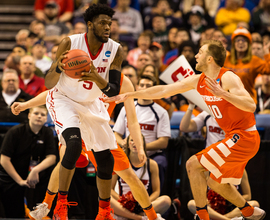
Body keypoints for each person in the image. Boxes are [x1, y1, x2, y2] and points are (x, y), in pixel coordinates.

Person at [105, 40, 266, 220]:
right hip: (234, 136)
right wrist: (132, 94)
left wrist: (223, 94)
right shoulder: (199, 80)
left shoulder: (228, 77)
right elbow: (164, 90)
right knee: (215, 183)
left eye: (200, 52)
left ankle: (202, 216)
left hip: (245, 135)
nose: (196, 55)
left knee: (192, 164)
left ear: (210, 59)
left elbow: (251, 106)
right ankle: (248, 211)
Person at [41, 3, 149, 219]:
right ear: (90, 25)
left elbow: (113, 91)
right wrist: (59, 68)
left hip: (91, 104)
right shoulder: (69, 42)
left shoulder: (116, 49)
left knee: (106, 160)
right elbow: (48, 82)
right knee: (72, 145)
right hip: (64, 99)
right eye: (102, 23)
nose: (108, 27)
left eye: (110, 23)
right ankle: (61, 204)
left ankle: (104, 212)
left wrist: (96, 77)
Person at [11, 75, 164, 220]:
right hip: (76, 127)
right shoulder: (83, 71)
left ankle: (151, 216)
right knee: (66, 157)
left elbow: (133, 120)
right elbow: (53, 94)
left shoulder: (124, 82)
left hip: (100, 132)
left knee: (130, 175)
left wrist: (141, 147)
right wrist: (26, 105)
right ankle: (47, 204)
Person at [180, 102, 261, 219]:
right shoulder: (207, 113)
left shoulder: (235, 114)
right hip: (211, 157)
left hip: (231, 154)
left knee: (212, 180)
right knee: (194, 199)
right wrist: (191, 106)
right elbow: (184, 127)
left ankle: (215, 216)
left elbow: (248, 195)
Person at [113, 75, 171, 191]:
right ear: (136, 87)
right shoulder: (127, 108)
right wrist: (125, 143)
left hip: (152, 154)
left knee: (160, 162)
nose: (144, 88)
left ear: (154, 89)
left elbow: (163, 142)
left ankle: (154, 198)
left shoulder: (161, 112)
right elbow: (116, 134)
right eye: (142, 85)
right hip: (129, 153)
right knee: (113, 160)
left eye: (148, 86)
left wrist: (140, 147)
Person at [0, 105, 57, 218]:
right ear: (29, 115)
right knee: (14, 213)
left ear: (46, 118)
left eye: (43, 114)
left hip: (35, 177)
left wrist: (35, 170)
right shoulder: (15, 132)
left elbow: (52, 158)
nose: (39, 116)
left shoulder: (47, 133)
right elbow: (4, 160)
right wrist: (20, 181)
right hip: (12, 177)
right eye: (36, 113)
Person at [111, 134, 171, 220]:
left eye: (138, 141)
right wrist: (123, 201)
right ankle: (140, 218)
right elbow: (110, 189)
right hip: (123, 205)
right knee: (106, 199)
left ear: (143, 144)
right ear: (128, 144)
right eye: (132, 140)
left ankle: (134, 216)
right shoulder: (120, 163)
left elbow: (156, 191)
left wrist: (144, 203)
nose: (135, 143)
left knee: (166, 200)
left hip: (143, 206)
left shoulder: (152, 164)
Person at [223, 27, 270, 103]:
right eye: (238, 40)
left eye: (244, 40)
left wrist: (266, 52)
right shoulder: (226, 59)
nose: (241, 42)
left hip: (247, 103)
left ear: (249, 44)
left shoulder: (254, 60)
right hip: (228, 102)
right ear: (233, 43)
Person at [0, 69, 33, 134]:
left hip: (22, 135)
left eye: (13, 80)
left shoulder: (29, 99)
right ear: (2, 83)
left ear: (18, 82)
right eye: (8, 80)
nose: (11, 82)